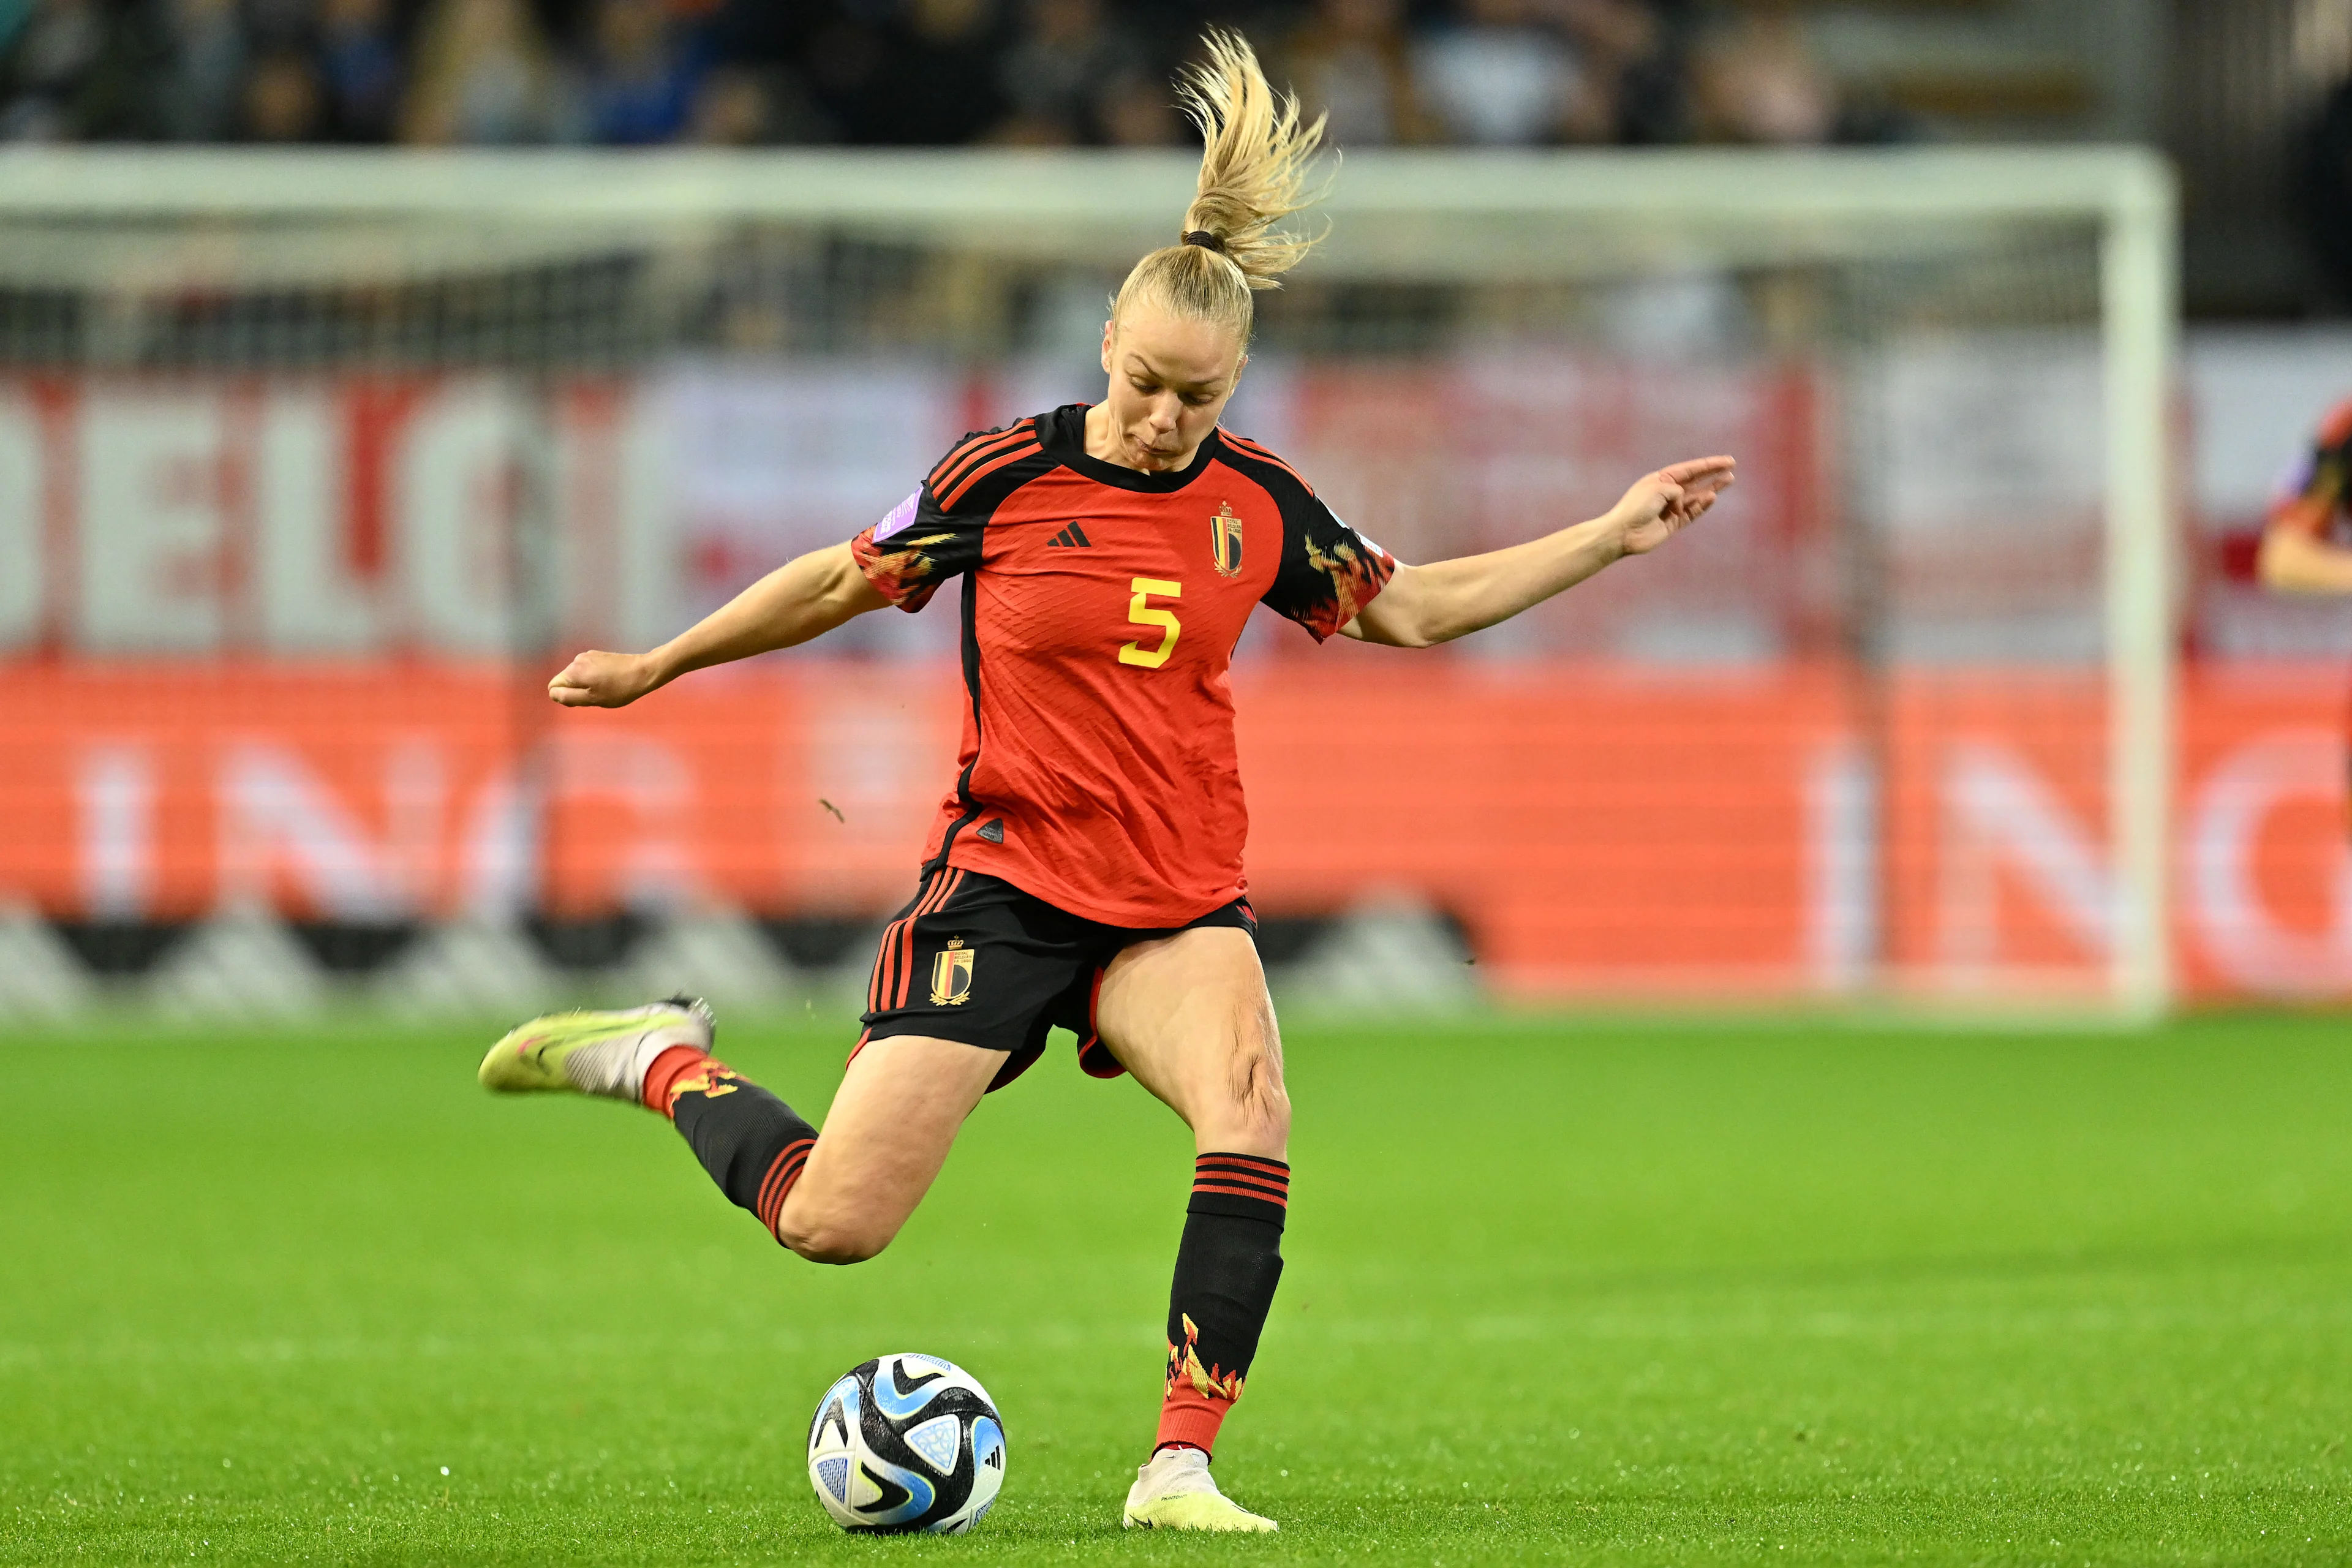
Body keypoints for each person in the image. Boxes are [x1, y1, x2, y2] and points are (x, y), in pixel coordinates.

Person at [478, 28, 1733, 1533]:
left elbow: (1406, 605)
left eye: (1196, 397)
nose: (1164, 417)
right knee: (834, 1221)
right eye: (1147, 384)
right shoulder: (1002, 475)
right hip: (1006, 885)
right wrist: (659, 663)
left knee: (1250, 1106)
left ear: (1236, 383)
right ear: (1105, 348)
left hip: (1175, 894)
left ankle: (1179, 1462)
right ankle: (659, 1057)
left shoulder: (1258, 503)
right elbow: (835, 580)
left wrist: (1607, 530)